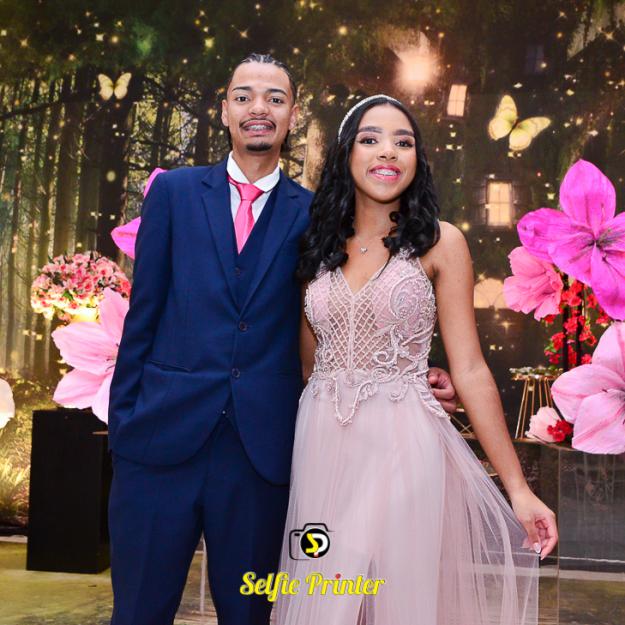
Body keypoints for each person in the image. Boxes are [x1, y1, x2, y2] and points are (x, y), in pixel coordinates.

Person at [107, 56, 457, 625]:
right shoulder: (173, 193)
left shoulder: (319, 216)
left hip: (261, 458)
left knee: (250, 615)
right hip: (158, 444)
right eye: (244, 96)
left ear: (292, 115)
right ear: (225, 111)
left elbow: (348, 309)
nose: (259, 108)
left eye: (275, 98)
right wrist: (123, 427)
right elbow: (142, 316)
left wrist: (418, 372)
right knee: (138, 613)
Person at [273, 95, 558, 625]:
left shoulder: (440, 242)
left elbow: (469, 368)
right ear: (345, 153)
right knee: (325, 597)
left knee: (397, 601)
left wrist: (518, 489)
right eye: (370, 139)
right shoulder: (315, 245)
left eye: (402, 142)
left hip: (404, 444)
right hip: (321, 446)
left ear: (417, 160)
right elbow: (310, 367)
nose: (388, 151)